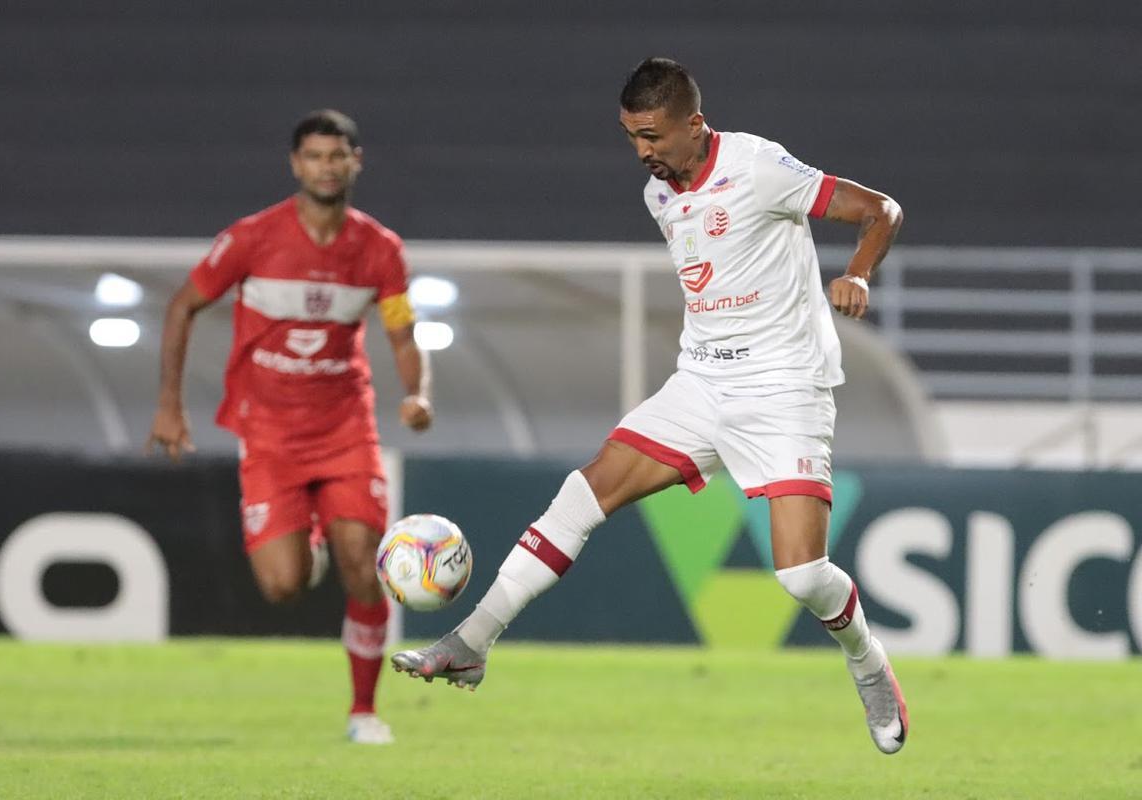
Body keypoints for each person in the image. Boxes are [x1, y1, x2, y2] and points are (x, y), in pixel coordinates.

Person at [392, 58, 909, 754]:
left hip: (784, 386)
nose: (642, 152)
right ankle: (471, 641)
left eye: (654, 136)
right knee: (582, 493)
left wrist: (856, 273)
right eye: (631, 137)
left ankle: (868, 664)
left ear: (695, 124)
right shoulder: (659, 195)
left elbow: (881, 210)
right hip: (700, 383)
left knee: (801, 575)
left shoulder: (758, 166)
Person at [148, 109, 433, 745]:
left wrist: (415, 394)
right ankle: (312, 545)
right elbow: (183, 305)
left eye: (338, 156)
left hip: (344, 429)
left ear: (356, 162)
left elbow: (403, 333)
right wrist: (169, 403)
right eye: (314, 156)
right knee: (282, 586)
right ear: (295, 164)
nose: (326, 167)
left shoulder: (380, 249)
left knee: (365, 565)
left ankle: (364, 713)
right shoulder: (252, 239)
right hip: (269, 433)